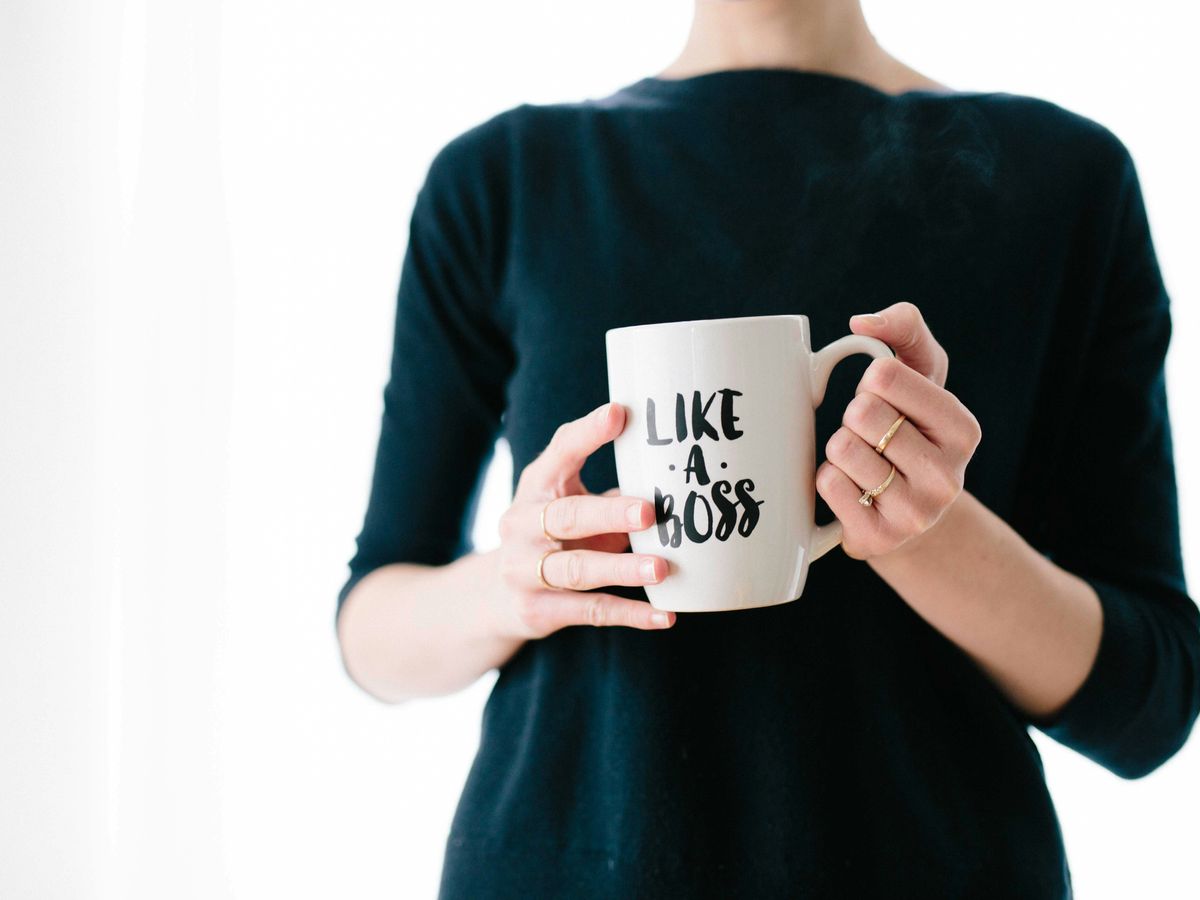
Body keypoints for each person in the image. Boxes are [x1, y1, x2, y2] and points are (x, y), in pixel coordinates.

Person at [335, 0, 1200, 896]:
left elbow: (1151, 705)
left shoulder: (1064, 180)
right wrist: (515, 584)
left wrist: (923, 532)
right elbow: (371, 629)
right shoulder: (503, 181)